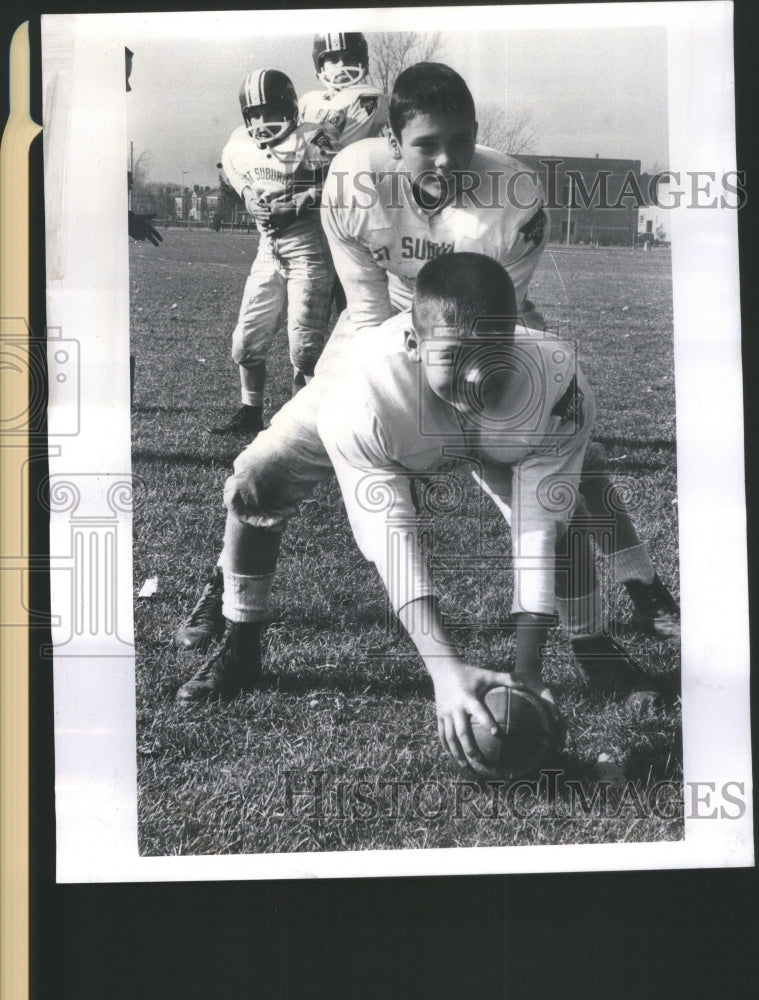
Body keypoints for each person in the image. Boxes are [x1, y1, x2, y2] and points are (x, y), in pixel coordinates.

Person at [174, 62, 676, 687]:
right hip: (378, 335)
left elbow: (498, 317)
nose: (447, 159)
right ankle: (239, 630)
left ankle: (599, 638)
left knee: (558, 486)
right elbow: (365, 312)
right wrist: (400, 410)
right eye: (426, 145)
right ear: (392, 142)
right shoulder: (354, 179)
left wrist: (469, 405)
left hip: (487, 333)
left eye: (461, 140)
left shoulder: (514, 196)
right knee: (258, 471)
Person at [211, 68, 334, 435]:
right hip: (268, 249)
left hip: (308, 249)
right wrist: (249, 197)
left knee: (306, 346)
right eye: (255, 115)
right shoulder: (239, 144)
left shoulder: (314, 139)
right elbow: (238, 174)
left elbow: (345, 180)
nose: (262, 122)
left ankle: (305, 426)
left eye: (270, 112)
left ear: (291, 109)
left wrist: (299, 202)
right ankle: (250, 413)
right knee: (247, 339)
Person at [298, 32, 389, 321]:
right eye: (333, 59)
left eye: (349, 59)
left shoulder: (368, 98)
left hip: (358, 204)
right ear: (320, 67)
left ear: (363, 63)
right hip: (320, 208)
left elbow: (318, 154)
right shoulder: (310, 101)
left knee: (358, 300)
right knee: (313, 301)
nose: (341, 66)